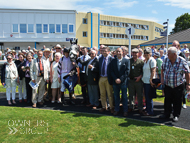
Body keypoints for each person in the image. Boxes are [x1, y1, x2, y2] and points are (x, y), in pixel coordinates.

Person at [160, 47, 190, 122]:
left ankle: (176, 115)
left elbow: (187, 72)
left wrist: (188, 84)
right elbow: (162, 69)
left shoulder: (182, 61)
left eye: (169, 53)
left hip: (178, 85)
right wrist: (162, 79)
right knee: (167, 100)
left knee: (177, 101)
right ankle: (167, 113)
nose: (167, 55)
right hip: (168, 84)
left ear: (174, 54)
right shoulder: (166, 60)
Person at [109, 48, 130, 117]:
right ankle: (116, 110)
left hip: (123, 82)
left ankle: (125, 111)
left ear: (122, 52)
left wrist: (120, 79)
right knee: (116, 97)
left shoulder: (127, 61)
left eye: (119, 51)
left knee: (124, 97)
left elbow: (127, 71)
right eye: (117, 51)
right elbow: (111, 71)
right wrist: (115, 79)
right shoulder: (113, 61)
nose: (118, 53)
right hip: (115, 82)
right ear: (115, 52)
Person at [128, 48, 144, 114]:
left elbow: (143, 72)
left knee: (139, 94)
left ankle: (140, 107)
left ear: (138, 53)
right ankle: (131, 106)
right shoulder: (129, 61)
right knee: (131, 95)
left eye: (135, 53)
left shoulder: (141, 62)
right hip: (131, 80)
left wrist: (139, 77)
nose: (134, 54)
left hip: (138, 81)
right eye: (133, 53)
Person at [98, 47, 114, 113]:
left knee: (110, 94)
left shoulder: (112, 59)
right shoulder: (100, 59)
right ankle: (104, 106)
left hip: (108, 78)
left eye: (105, 51)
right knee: (102, 93)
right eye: (103, 51)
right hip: (101, 77)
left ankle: (111, 107)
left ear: (108, 52)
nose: (104, 52)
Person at [142, 47, 156, 116]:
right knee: (146, 96)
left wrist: (151, 80)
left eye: (147, 53)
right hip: (145, 81)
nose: (146, 54)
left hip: (149, 82)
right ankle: (147, 109)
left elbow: (153, 71)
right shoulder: (145, 61)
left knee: (149, 97)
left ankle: (150, 111)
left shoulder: (152, 60)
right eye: (145, 53)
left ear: (150, 53)